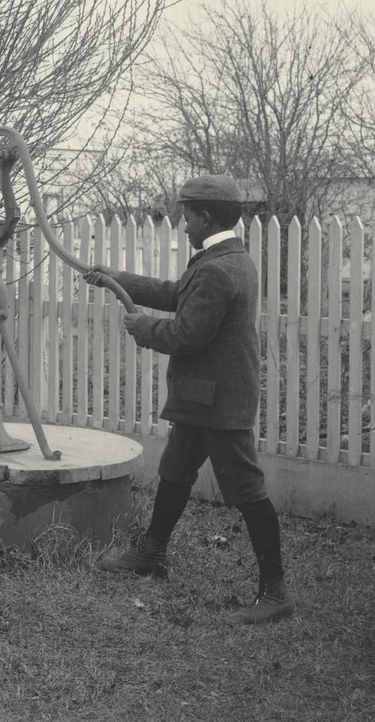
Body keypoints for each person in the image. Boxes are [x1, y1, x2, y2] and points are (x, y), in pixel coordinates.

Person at [84, 174, 296, 626]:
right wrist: (116, 280)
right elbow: (175, 294)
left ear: (204, 216)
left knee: (247, 491)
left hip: (220, 402)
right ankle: (151, 554)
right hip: (203, 395)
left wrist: (141, 329)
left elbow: (188, 334)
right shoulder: (223, 257)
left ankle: (275, 593)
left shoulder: (219, 269)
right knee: (176, 472)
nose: (181, 223)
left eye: (186, 215)